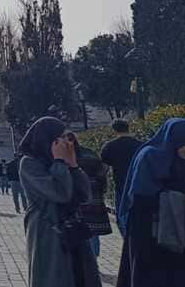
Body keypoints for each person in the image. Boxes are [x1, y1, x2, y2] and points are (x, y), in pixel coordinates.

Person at [116, 117, 185, 287]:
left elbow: (175, 190)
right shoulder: (149, 156)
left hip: (179, 228)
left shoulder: (182, 161)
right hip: (149, 233)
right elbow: (140, 200)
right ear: (175, 139)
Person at [19, 117, 99, 287]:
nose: (65, 142)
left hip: (73, 228)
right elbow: (60, 193)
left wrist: (73, 165)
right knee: (54, 277)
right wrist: (59, 162)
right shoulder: (29, 163)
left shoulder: (61, 160)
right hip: (47, 229)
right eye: (61, 137)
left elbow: (85, 195)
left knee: (81, 276)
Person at [67, 132, 109, 259]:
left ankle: (85, 259)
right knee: (93, 231)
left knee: (78, 229)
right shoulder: (90, 153)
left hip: (76, 198)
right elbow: (102, 175)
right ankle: (94, 258)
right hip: (94, 196)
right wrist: (101, 191)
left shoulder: (66, 157)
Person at [100, 119, 142, 215]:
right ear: (128, 128)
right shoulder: (140, 145)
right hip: (138, 185)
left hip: (121, 185)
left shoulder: (109, 146)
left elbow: (104, 169)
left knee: (122, 214)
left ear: (114, 130)